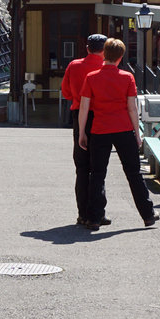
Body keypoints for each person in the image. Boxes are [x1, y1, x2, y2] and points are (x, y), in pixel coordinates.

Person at [78, 38, 158, 229]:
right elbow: (132, 108)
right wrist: (137, 133)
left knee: (97, 174)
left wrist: (82, 132)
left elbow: (84, 107)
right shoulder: (127, 77)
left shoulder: (91, 77)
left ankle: (94, 218)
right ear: (121, 57)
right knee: (133, 173)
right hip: (123, 129)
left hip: (99, 129)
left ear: (104, 54)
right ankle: (147, 215)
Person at [61, 33, 107, 228]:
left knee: (82, 168)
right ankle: (97, 213)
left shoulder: (74, 66)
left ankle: (82, 214)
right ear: (105, 50)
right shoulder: (106, 68)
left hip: (80, 115)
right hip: (102, 117)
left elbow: (66, 92)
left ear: (87, 48)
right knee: (99, 169)